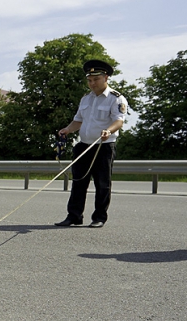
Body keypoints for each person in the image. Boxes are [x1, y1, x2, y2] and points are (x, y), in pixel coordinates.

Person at [55, 60, 128, 228]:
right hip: (84, 145)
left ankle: (99, 217)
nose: (92, 83)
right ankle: (74, 216)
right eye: (89, 80)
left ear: (106, 78)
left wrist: (108, 130)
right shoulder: (86, 98)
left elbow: (119, 121)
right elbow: (78, 121)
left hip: (103, 146)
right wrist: (67, 129)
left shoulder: (115, 98)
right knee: (78, 182)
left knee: (102, 184)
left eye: (96, 80)